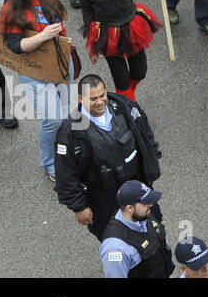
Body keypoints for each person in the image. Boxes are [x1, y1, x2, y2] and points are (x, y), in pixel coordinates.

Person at [0, 0, 79, 177]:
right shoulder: (11, 10)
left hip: (61, 61)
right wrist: (43, 36)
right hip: (35, 71)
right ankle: (50, 163)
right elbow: (15, 45)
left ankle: (67, 150)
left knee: (66, 111)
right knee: (52, 118)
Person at [54, 74, 162, 239]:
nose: (100, 102)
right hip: (103, 195)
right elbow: (65, 173)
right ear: (81, 98)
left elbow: (144, 133)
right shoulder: (70, 132)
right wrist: (79, 207)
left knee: (154, 225)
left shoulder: (125, 107)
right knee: (113, 236)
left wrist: (152, 157)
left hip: (136, 183)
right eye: (93, 98)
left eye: (102, 95)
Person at [100, 180, 172, 278]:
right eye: (145, 202)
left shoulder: (142, 215)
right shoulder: (115, 248)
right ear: (130, 208)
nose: (151, 204)